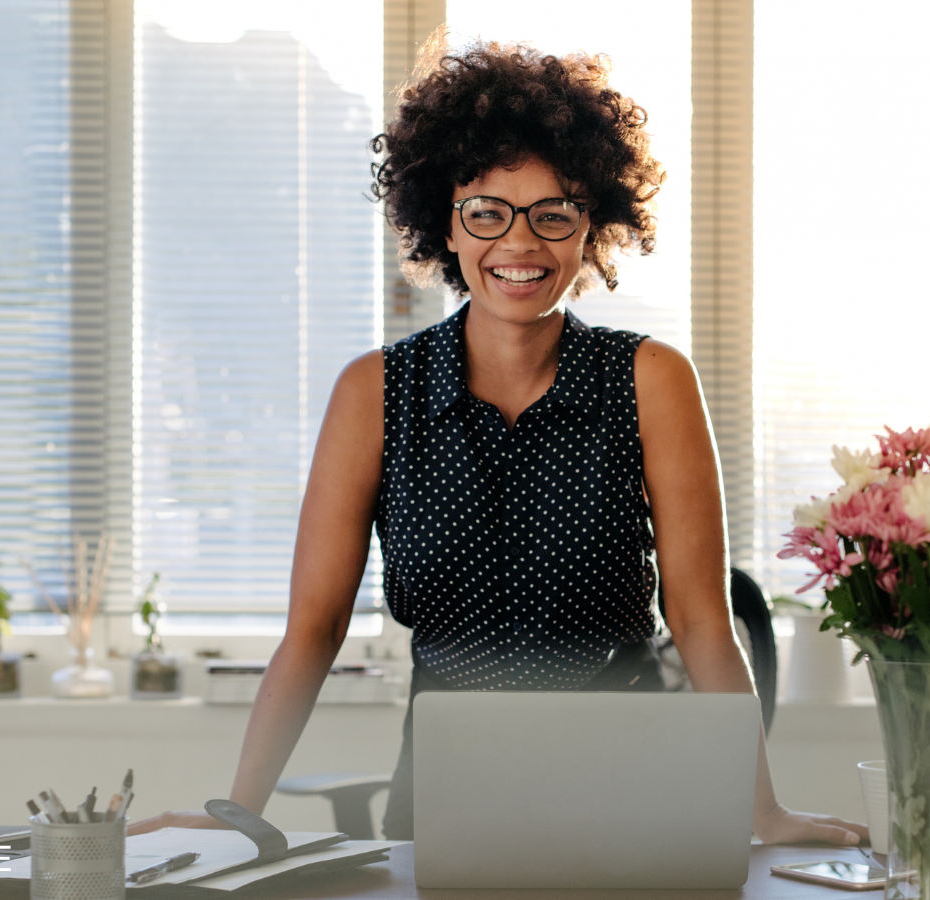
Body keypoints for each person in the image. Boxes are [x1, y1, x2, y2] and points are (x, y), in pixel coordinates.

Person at [132, 39, 866, 846]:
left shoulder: (651, 380)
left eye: (553, 213)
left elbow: (700, 621)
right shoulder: (373, 394)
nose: (520, 244)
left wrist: (761, 812)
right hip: (451, 781)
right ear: (444, 223)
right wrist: (239, 815)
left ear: (592, 228)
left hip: (635, 774)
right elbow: (313, 628)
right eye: (487, 212)